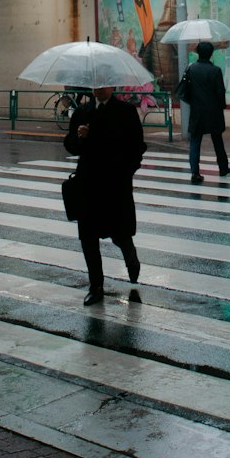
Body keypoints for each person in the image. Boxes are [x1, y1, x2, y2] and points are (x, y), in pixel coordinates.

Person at [64, 87, 145, 304]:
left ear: (111, 86)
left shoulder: (125, 111)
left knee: (119, 233)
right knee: (88, 237)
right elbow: (70, 145)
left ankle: (131, 258)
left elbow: (138, 146)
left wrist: (126, 171)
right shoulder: (82, 112)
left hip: (115, 182)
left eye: (104, 84)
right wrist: (79, 138)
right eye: (95, 85)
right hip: (89, 182)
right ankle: (96, 285)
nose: (99, 89)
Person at [184, 41, 230, 184]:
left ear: (198, 52)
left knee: (195, 141)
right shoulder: (215, 70)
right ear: (211, 54)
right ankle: (223, 168)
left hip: (197, 111)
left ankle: (195, 172)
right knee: (217, 140)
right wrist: (222, 106)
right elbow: (220, 92)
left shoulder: (190, 69)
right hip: (213, 111)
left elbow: (186, 91)